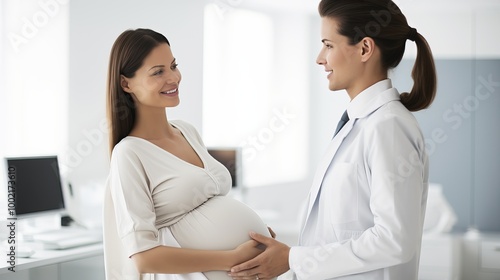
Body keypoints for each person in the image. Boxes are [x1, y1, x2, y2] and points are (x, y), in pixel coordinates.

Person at [229, 0, 436, 279]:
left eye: (328, 45)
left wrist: (293, 258)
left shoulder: (389, 127)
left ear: (364, 49)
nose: (319, 58)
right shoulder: (358, 124)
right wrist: (292, 260)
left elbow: (395, 240)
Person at [102, 28, 274, 280]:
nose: (173, 77)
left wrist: (257, 238)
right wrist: (232, 257)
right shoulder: (129, 153)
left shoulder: (186, 131)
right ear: (126, 83)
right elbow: (143, 258)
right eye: (158, 72)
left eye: (173, 66)